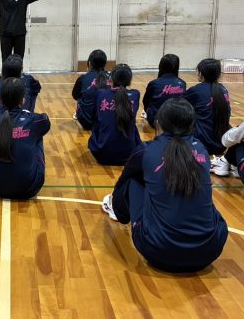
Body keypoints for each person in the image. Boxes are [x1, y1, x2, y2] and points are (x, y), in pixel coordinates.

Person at [103, 98, 228, 273]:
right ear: (192, 125)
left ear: (158, 123)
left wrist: (120, 208)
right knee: (199, 193)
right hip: (209, 251)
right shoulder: (201, 149)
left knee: (133, 181)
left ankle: (114, 209)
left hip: (158, 251)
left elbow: (122, 187)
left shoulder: (145, 151)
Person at [0, 77, 51, 199]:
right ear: (23, 100)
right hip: (29, 189)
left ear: (0, 99)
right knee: (37, 136)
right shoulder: (34, 120)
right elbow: (45, 121)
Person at [88, 64, 142, 166]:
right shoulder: (135, 94)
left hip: (102, 153)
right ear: (129, 81)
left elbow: (93, 116)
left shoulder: (101, 93)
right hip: (129, 155)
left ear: (111, 79)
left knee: (98, 121)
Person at [184, 58, 231, 156]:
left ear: (201, 74)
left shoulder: (196, 90)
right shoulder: (223, 90)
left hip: (201, 144)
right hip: (222, 144)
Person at [142, 54, 186, 127]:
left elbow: (145, 101)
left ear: (161, 66)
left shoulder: (154, 83)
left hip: (157, 121)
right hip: (177, 121)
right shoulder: (182, 83)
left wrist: (148, 112)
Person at [72, 49, 111, 130]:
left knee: (81, 96)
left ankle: (81, 113)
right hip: (106, 122)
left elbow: (75, 96)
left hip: (87, 122)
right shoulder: (112, 78)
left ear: (89, 63)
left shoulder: (83, 78)